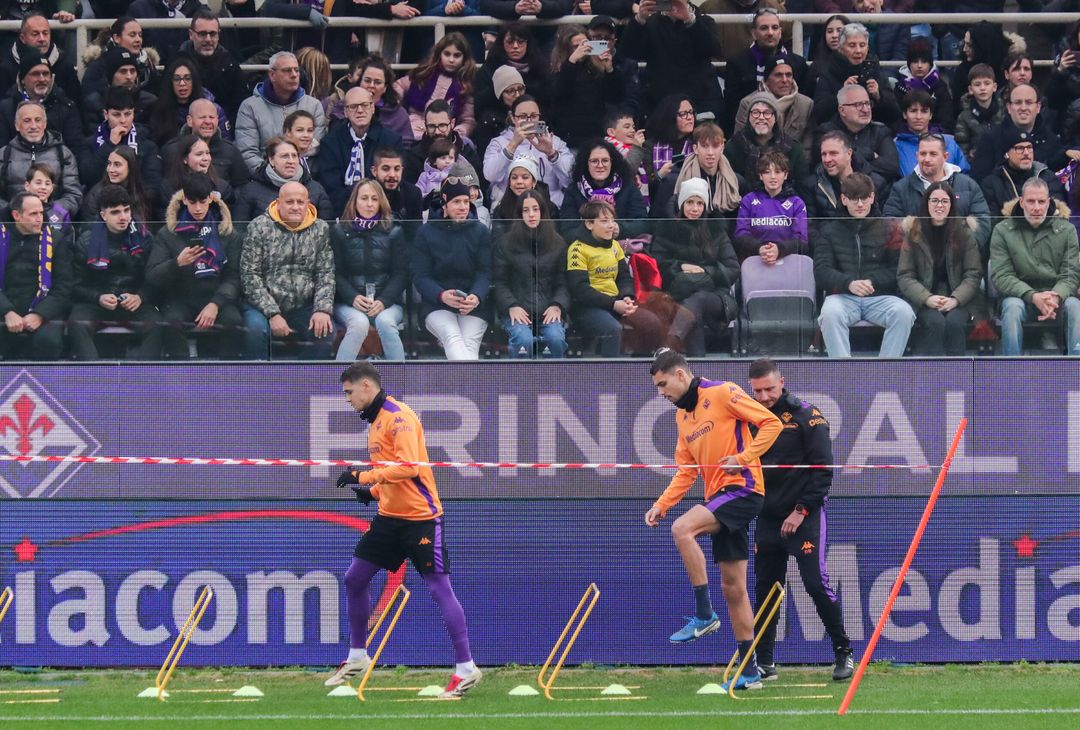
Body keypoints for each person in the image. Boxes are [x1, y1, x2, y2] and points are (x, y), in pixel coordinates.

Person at [327, 361, 481, 698]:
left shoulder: (399, 418)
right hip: (389, 518)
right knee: (354, 579)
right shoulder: (375, 421)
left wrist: (362, 476)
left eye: (349, 392)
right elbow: (392, 473)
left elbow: (409, 468)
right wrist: (373, 492)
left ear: (366, 386)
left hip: (420, 519)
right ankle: (357, 656)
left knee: (439, 588)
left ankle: (466, 668)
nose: (348, 399)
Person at [644, 349, 782, 692]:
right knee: (733, 588)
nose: (660, 393)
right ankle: (750, 673)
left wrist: (744, 457)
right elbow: (686, 472)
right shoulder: (682, 417)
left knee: (683, 529)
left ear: (680, 374)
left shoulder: (722, 392)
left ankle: (704, 615)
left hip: (744, 489)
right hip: (718, 498)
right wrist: (662, 504)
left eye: (663, 384)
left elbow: (772, 423)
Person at [745, 358, 853, 682]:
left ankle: (844, 653)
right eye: (757, 391)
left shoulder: (808, 415)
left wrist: (801, 510)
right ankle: (764, 663)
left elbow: (823, 471)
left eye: (769, 389)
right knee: (766, 590)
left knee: (815, 584)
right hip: (767, 516)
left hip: (804, 516)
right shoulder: (749, 417)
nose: (764, 397)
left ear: (782, 382)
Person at [815, 172, 914, 358]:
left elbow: (899, 269)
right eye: (854, 199)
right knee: (830, 313)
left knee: (904, 312)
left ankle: (887, 370)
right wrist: (849, 283)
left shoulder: (889, 228)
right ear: (844, 199)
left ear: (872, 197)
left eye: (864, 198)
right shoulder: (829, 230)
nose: (860, 204)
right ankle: (843, 371)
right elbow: (821, 271)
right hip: (842, 296)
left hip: (880, 296)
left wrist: (872, 281)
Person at [146, 172, 244, 359]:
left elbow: (234, 276)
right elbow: (152, 275)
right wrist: (176, 263)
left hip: (217, 297)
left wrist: (215, 304)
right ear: (184, 200)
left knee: (234, 321)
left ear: (211, 198)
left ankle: (228, 373)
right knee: (172, 323)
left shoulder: (227, 232)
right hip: (181, 298)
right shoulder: (168, 233)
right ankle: (181, 374)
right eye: (192, 202)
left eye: (202, 201)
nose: (198, 208)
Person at [240, 181, 335, 359]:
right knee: (256, 330)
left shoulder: (320, 228)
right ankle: (258, 376)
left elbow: (325, 274)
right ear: (278, 203)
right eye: (289, 202)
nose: (295, 207)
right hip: (262, 306)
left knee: (325, 332)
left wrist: (322, 309)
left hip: (303, 305)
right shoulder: (258, 226)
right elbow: (250, 276)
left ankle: (302, 375)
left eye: (300, 202)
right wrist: (273, 313)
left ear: (308, 204)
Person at [67, 184, 163, 360]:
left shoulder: (144, 238)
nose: (123, 217)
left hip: (134, 302)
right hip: (95, 302)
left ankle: (145, 375)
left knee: (157, 325)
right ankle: (93, 374)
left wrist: (140, 297)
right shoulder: (86, 241)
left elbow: (155, 279)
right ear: (103, 215)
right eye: (115, 212)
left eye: (126, 210)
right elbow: (75, 285)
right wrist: (98, 297)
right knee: (77, 324)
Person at [990, 177, 1080, 357]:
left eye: (1041, 201)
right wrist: (1033, 296)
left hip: (1056, 298)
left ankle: (1076, 367)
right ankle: (1011, 369)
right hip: (1020, 297)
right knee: (1012, 308)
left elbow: (1071, 274)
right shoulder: (1002, 230)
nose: (1037, 207)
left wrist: (1056, 296)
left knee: (1075, 306)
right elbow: (1002, 275)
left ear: (1049, 202)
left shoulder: (1067, 230)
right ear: (1021, 202)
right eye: (1031, 201)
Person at [651, 178, 740, 356]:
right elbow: (657, 264)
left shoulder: (716, 230)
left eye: (700, 203)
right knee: (693, 313)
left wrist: (706, 271)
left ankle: (669, 345)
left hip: (716, 295)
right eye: (690, 202)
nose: (695, 208)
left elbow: (733, 268)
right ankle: (697, 365)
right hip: (678, 293)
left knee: (698, 300)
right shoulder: (667, 229)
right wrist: (680, 266)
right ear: (681, 204)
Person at [566, 199, 666, 356]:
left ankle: (641, 366)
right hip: (587, 307)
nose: (611, 225)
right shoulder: (577, 249)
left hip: (616, 302)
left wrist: (627, 296)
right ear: (589, 224)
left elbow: (624, 277)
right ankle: (610, 371)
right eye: (604, 221)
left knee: (652, 324)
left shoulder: (614, 245)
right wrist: (613, 304)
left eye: (612, 220)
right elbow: (580, 289)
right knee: (613, 329)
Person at [897, 182, 983, 356]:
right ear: (926, 203)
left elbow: (973, 274)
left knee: (954, 322)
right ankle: (933, 371)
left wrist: (956, 299)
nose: (939, 205)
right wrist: (927, 298)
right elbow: (905, 275)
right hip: (923, 299)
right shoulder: (913, 233)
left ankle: (958, 371)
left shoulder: (964, 233)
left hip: (960, 299)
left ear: (951, 205)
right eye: (934, 200)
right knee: (935, 322)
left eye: (944, 201)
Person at [411, 179, 492, 360]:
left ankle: (461, 380)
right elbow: (420, 276)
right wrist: (441, 295)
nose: (463, 207)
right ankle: (471, 380)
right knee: (452, 336)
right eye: (456, 202)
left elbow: (485, 271)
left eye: (466, 201)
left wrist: (476, 296)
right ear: (445, 203)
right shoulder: (426, 232)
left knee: (469, 343)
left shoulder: (480, 231)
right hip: (436, 304)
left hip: (473, 305)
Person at [331, 179, 408, 361]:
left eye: (374, 199)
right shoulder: (339, 231)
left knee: (385, 322)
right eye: (364, 198)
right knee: (359, 323)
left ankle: (398, 377)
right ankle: (340, 376)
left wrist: (384, 300)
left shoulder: (395, 231)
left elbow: (401, 274)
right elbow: (335, 273)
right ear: (354, 201)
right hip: (348, 303)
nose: (369, 204)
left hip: (387, 303)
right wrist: (352, 297)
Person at [491, 188, 569, 358]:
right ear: (520, 214)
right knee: (523, 340)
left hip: (548, 310)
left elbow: (563, 282)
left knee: (555, 338)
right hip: (517, 309)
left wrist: (557, 305)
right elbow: (499, 282)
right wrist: (511, 305)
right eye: (526, 210)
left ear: (543, 212)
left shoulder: (558, 243)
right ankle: (520, 375)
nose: (531, 215)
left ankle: (556, 375)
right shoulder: (505, 244)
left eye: (535, 209)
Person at [883, 134, 991, 255]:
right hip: (917, 259)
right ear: (917, 156)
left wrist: (961, 248)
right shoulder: (901, 187)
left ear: (945, 156)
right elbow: (890, 224)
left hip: (959, 259)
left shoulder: (969, 185)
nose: (927, 159)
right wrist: (916, 250)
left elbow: (982, 222)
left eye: (933, 154)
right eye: (923, 154)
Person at [620, 0, 724, 123]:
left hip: (699, 103)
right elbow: (629, 53)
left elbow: (713, 49)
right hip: (660, 104)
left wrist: (689, 20)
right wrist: (639, 20)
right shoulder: (651, 23)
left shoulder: (704, 21)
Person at [721, 8, 813, 133]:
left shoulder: (798, 63)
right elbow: (731, 109)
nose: (770, 33)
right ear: (754, 33)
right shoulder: (737, 63)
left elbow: (805, 106)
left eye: (775, 28)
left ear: (780, 32)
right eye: (764, 28)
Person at [0, 191, 68, 360]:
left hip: (43, 309)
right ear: (16, 215)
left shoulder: (56, 240)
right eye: (33, 214)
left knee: (48, 342)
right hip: (5, 307)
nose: (40, 219)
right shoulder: (2, 237)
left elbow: (64, 286)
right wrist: (7, 311)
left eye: (41, 213)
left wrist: (40, 314)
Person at [317, 86, 403, 215]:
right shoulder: (330, 143)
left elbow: (393, 184)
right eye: (353, 107)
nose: (360, 110)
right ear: (345, 112)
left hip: (382, 210)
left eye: (365, 105)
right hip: (342, 211)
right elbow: (331, 188)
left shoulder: (391, 141)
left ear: (373, 108)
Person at [236, 51, 326, 172]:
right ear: (272, 75)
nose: (294, 75)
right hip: (264, 176)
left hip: (306, 175)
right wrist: (272, 174)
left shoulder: (314, 105)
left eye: (296, 70)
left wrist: (297, 174)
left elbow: (316, 147)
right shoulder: (250, 107)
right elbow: (248, 152)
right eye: (287, 70)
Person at [484, 95, 572, 209]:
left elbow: (571, 180)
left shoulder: (554, 142)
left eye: (534, 116)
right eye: (523, 116)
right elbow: (490, 175)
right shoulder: (499, 143)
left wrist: (552, 154)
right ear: (513, 118)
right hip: (509, 208)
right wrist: (512, 145)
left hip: (550, 208)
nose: (529, 121)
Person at [971, 84, 1071, 183]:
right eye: (1018, 102)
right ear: (1009, 107)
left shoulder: (1052, 141)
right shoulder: (990, 139)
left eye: (1029, 102)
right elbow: (979, 180)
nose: (1023, 108)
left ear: (1038, 107)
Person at [0, 101, 80, 219]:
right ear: (17, 125)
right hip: (14, 222)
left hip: (52, 222)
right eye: (27, 120)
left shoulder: (63, 154)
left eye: (38, 120)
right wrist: (15, 213)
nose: (33, 126)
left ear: (45, 123)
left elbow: (73, 194)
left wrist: (47, 214)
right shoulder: (3, 155)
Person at [812, 22, 899, 127]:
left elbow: (895, 114)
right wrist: (840, 95)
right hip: (838, 130)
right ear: (841, 49)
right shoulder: (828, 72)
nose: (858, 51)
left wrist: (879, 96)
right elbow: (819, 114)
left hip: (873, 131)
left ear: (867, 48)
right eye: (852, 45)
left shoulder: (875, 72)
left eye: (862, 45)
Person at [394, 33, 477, 142]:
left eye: (457, 55)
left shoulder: (465, 84)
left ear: (464, 58)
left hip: (445, 132)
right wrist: (396, 102)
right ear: (439, 54)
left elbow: (468, 120)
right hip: (416, 126)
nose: (451, 60)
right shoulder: (424, 73)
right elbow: (398, 86)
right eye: (447, 54)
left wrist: (458, 132)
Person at [559, 139, 648, 238]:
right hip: (585, 246)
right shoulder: (573, 190)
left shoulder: (628, 187)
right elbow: (567, 230)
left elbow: (642, 224)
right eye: (594, 161)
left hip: (621, 244)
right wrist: (596, 231)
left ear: (612, 163)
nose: (600, 166)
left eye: (605, 160)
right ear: (586, 163)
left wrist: (619, 229)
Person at [172, 7, 248, 121]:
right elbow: (167, 104)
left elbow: (238, 107)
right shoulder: (175, 64)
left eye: (212, 34)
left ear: (218, 35)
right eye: (202, 34)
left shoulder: (231, 65)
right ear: (191, 34)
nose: (208, 39)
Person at [734, 151, 808, 262]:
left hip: (788, 262)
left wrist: (780, 250)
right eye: (767, 172)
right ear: (760, 175)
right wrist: (760, 248)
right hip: (755, 261)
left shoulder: (797, 203)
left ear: (785, 175)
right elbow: (740, 236)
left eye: (778, 172)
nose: (773, 177)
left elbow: (802, 241)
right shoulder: (748, 200)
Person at [235, 137, 332, 222]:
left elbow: (326, 228)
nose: (291, 161)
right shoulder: (250, 191)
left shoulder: (316, 189)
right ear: (271, 160)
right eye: (284, 156)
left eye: (294, 156)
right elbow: (240, 230)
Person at [981, 128, 1068, 220]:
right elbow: (993, 220)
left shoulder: (1048, 177)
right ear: (1006, 154)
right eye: (1020, 148)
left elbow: (1058, 212)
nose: (1026, 153)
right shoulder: (992, 183)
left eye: (1029, 147)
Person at [725, 93, 807, 186]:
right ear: (749, 117)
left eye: (767, 113)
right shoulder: (734, 146)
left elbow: (802, 185)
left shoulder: (792, 148)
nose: (761, 117)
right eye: (755, 112)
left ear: (775, 118)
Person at [733, 57, 814, 151]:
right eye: (778, 75)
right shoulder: (748, 103)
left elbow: (807, 148)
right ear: (767, 80)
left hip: (794, 158)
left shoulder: (806, 105)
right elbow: (739, 142)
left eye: (788, 75)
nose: (785, 80)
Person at [893, 90, 968, 178]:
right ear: (905, 114)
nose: (918, 117)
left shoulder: (949, 142)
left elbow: (965, 174)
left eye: (924, 111)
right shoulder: (896, 146)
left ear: (930, 115)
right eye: (913, 111)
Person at [954, 64, 1004, 165]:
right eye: (977, 84)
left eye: (987, 83)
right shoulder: (964, 117)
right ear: (970, 89)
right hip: (976, 165)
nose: (982, 88)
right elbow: (961, 148)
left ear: (994, 87)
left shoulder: (1004, 112)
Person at [371, 147, 423, 223]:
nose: (392, 175)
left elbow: (416, 228)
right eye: (386, 169)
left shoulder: (413, 193)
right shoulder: (362, 192)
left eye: (397, 169)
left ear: (402, 170)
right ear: (374, 171)